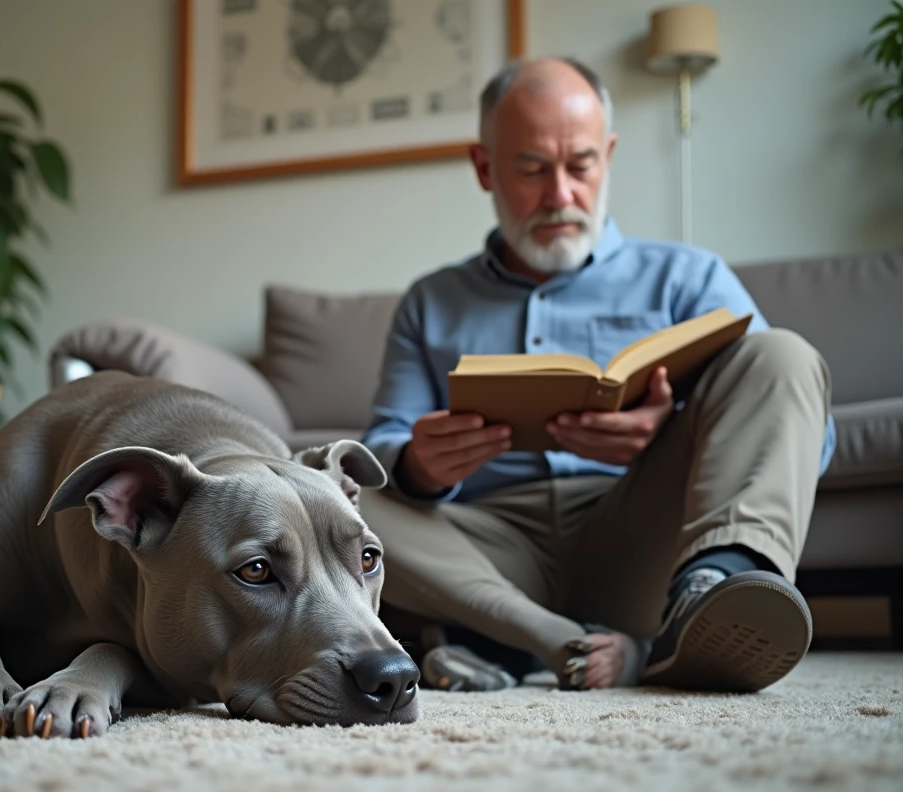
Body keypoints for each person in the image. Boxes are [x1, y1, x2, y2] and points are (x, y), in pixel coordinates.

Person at [358, 57, 835, 693]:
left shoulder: (687, 277)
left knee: (782, 353)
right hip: (487, 555)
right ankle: (561, 640)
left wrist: (672, 425)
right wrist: (421, 463)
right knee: (333, 489)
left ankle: (710, 589)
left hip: (645, 540)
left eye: (580, 165)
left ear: (607, 155)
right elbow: (379, 452)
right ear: (484, 167)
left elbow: (804, 430)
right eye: (531, 169)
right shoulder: (430, 301)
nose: (560, 195)